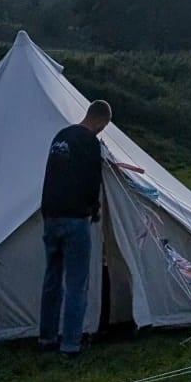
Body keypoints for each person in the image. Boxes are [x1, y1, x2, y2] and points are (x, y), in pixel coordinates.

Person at [37, 99, 112, 357]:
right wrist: (94, 210)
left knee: (52, 279)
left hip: (51, 216)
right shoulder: (89, 142)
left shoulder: (61, 136)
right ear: (102, 121)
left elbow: (51, 174)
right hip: (74, 218)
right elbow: (93, 180)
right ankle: (70, 344)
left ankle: (46, 338)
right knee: (76, 283)